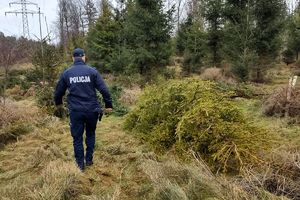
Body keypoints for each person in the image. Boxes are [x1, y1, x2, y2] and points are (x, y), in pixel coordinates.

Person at [54, 48, 113, 171]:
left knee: (77, 138)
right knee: (91, 134)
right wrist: (108, 105)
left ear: (73, 58)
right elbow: (104, 90)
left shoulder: (67, 73)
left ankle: (80, 165)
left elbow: (58, 92)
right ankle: (89, 160)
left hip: (76, 111)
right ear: (84, 57)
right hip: (92, 110)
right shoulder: (92, 72)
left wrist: (58, 104)